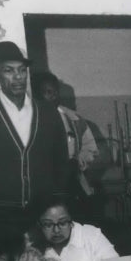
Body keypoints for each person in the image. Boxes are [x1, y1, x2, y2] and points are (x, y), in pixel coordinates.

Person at [0, 42, 70, 230]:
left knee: (45, 259)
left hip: (44, 213)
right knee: (6, 259)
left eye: (22, 70)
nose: (18, 77)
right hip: (0, 215)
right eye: (8, 71)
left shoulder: (48, 112)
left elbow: (61, 161)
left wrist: (56, 201)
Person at [32, 71, 101, 221]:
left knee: (77, 220)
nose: (54, 96)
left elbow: (91, 148)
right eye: (48, 92)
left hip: (71, 182)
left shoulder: (73, 119)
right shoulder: (30, 121)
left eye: (55, 92)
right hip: (43, 186)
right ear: (37, 94)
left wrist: (78, 162)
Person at [28, 195, 119, 261]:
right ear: (39, 224)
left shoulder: (91, 235)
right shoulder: (31, 244)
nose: (56, 230)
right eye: (48, 224)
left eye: (62, 223)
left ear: (71, 221)